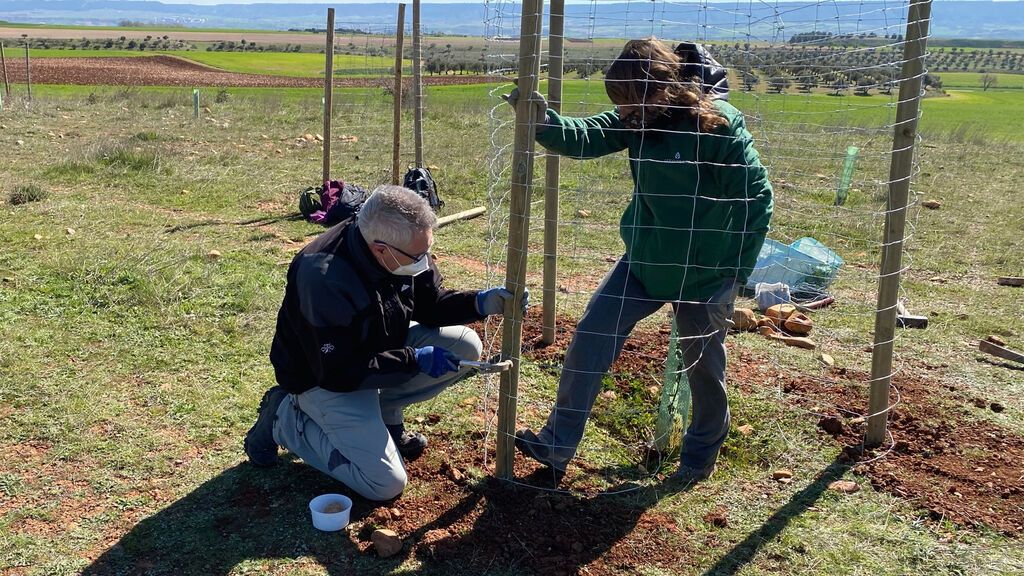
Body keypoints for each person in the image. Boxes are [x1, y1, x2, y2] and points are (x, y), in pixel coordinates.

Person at [506, 38, 773, 486]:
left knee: (703, 368)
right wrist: (542, 122)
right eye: (621, 105)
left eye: (633, 103)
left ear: (665, 88)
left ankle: (699, 455)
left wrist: (734, 276)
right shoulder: (638, 119)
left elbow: (756, 201)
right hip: (643, 264)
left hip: (703, 276)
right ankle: (557, 444)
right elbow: (586, 135)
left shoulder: (719, 128)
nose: (625, 113)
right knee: (591, 337)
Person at [244, 185, 527, 501]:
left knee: (466, 345)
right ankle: (284, 419)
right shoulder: (323, 277)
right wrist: (413, 360)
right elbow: (338, 371)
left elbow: (429, 302)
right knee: (384, 483)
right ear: (380, 249)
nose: (424, 262)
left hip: (375, 351)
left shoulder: (400, 245)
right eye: (418, 256)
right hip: (323, 378)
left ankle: (386, 412)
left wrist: (479, 303)